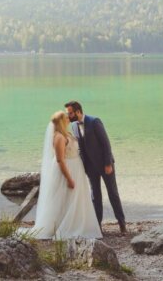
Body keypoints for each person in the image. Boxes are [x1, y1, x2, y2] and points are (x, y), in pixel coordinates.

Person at [30, 111, 101, 239]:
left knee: (74, 198)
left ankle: (78, 223)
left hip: (76, 168)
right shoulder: (59, 137)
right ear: (61, 121)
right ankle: (65, 226)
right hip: (68, 170)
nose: (69, 118)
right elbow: (60, 160)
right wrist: (69, 178)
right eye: (66, 117)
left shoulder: (66, 133)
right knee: (65, 198)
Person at [65, 100, 127, 234]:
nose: (68, 116)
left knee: (113, 194)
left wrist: (108, 163)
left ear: (78, 111)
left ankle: (122, 224)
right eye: (68, 113)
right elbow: (81, 148)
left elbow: (106, 144)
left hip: (105, 165)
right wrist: (84, 167)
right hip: (90, 167)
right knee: (95, 196)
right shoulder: (74, 126)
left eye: (70, 113)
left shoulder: (94, 122)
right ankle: (97, 226)